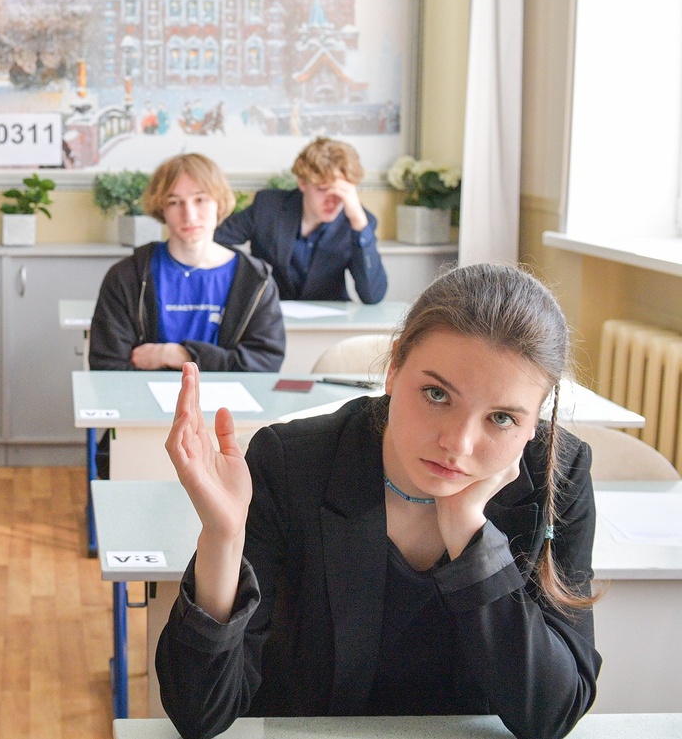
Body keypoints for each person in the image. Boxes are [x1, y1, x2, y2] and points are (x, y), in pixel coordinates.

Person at [156, 263, 601, 739]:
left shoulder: (559, 476)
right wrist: (222, 538)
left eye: (502, 418)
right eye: (436, 394)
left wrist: (471, 537)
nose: (458, 443)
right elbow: (199, 714)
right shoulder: (292, 463)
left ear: (535, 420)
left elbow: (552, 715)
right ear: (394, 368)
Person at [89, 152, 286, 373]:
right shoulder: (127, 276)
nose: (189, 215)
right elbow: (107, 365)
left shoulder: (256, 279)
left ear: (219, 204)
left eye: (200, 200)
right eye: (174, 202)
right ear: (161, 209)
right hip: (143, 393)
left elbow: (265, 364)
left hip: (226, 395)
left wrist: (180, 355)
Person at [214, 137, 387, 303]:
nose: (332, 201)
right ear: (302, 183)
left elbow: (372, 296)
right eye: (322, 189)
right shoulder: (268, 206)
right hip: (270, 312)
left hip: (329, 316)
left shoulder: (358, 222)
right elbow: (214, 239)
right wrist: (248, 270)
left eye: (340, 191)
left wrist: (358, 223)